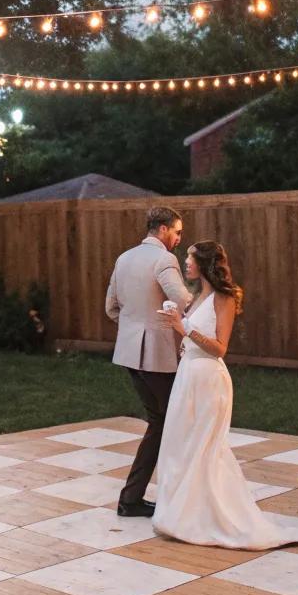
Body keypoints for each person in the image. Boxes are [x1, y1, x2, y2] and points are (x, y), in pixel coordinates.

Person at [153, 241, 298, 549]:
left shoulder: (223, 299)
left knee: (205, 448)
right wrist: (181, 329)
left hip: (210, 379)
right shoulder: (199, 296)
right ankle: (184, 513)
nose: (185, 263)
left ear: (205, 263)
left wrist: (183, 328)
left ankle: (216, 517)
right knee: (181, 444)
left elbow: (220, 348)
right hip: (188, 376)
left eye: (190, 258)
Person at [105, 206, 192, 517]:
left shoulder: (124, 258)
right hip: (157, 356)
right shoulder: (164, 259)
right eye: (178, 232)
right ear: (163, 229)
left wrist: (133, 326)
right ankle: (179, 499)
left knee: (160, 423)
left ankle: (131, 499)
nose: (179, 239)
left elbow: (111, 307)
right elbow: (183, 300)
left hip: (130, 354)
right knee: (176, 423)